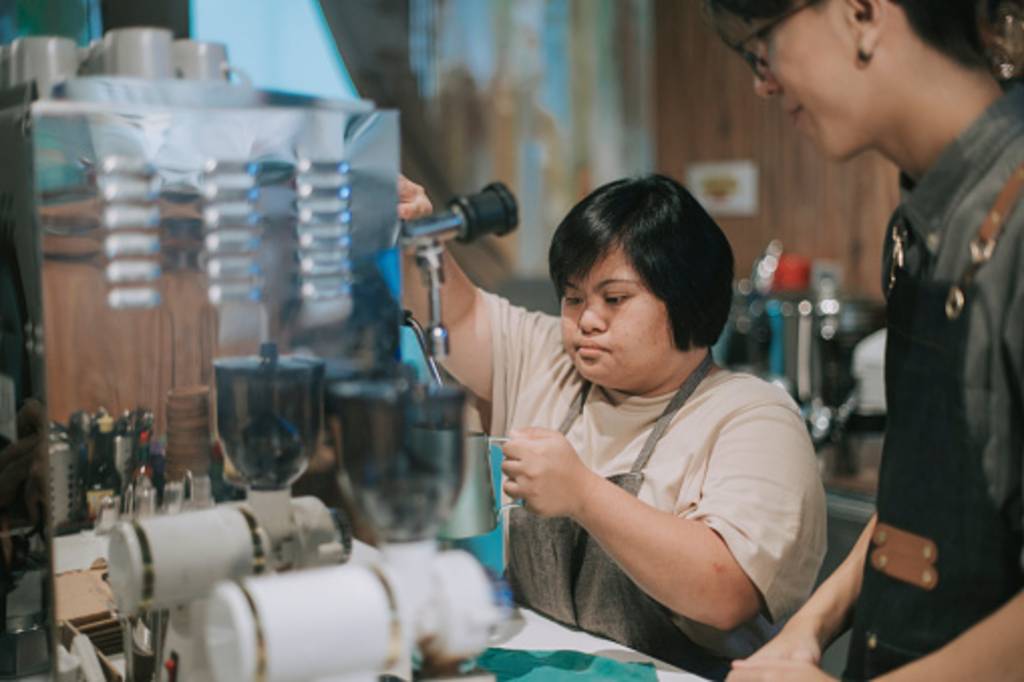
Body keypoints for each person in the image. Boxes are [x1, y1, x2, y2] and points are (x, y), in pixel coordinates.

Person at [703, 1, 1024, 680]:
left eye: (765, 45)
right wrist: (808, 628)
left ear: (861, 13)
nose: (763, 82)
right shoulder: (922, 222)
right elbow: (918, 508)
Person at [400, 173, 826, 679]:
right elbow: (460, 310)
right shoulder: (552, 362)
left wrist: (583, 493)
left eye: (615, 299)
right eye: (574, 299)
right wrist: (416, 232)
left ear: (685, 297)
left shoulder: (752, 416)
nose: (588, 321)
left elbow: (727, 591)